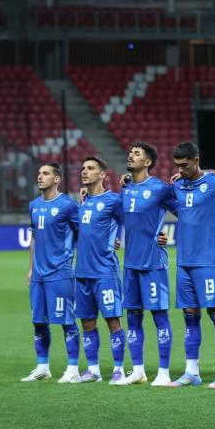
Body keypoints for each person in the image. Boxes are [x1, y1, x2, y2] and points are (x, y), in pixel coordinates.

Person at [166, 142, 215, 388]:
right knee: (189, 316)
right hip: (184, 261)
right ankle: (191, 372)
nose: (180, 170)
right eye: (177, 166)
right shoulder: (177, 185)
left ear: (197, 160)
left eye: (185, 165)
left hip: (210, 260)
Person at [116, 142, 179, 386]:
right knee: (133, 317)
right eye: (130, 152)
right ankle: (138, 370)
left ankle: (164, 372)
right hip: (130, 264)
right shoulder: (126, 188)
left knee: (159, 317)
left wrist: (169, 237)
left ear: (148, 162)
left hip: (153, 262)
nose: (130, 156)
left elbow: (185, 213)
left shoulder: (160, 189)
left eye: (136, 154)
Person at [22, 162, 80, 383]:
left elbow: (83, 233)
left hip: (60, 272)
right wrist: (30, 268)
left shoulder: (68, 205)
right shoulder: (34, 205)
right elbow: (34, 237)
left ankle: (73, 369)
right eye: (39, 173)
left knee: (67, 321)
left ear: (57, 179)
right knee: (38, 321)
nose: (40, 176)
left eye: (45, 173)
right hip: (39, 275)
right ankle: (42, 367)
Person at [74, 156, 126, 384]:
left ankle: (119, 369)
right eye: (83, 168)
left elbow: (129, 222)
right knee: (87, 322)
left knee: (113, 320)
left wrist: (117, 239)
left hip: (105, 271)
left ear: (102, 174)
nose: (85, 171)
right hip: (82, 272)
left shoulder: (114, 200)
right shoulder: (83, 201)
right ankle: (93, 370)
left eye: (90, 168)